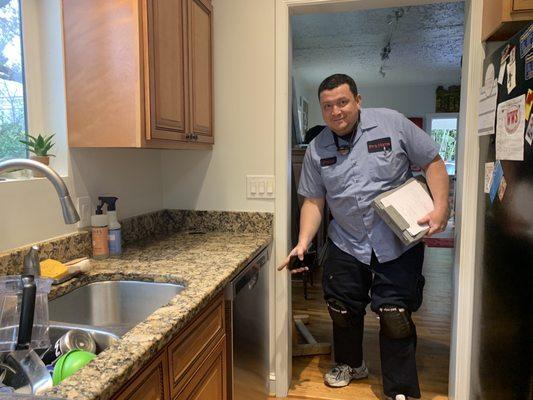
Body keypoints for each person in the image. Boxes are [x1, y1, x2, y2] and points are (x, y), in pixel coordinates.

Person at [278, 74, 449, 400]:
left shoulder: (392, 124)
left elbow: (432, 161)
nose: (336, 111)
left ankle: (400, 390)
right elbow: (314, 201)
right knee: (341, 307)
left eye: (342, 102)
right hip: (347, 241)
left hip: (397, 239)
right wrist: (303, 241)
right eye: (327, 106)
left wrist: (441, 208)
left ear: (358, 100)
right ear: (322, 109)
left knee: (394, 316)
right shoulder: (317, 149)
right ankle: (350, 364)